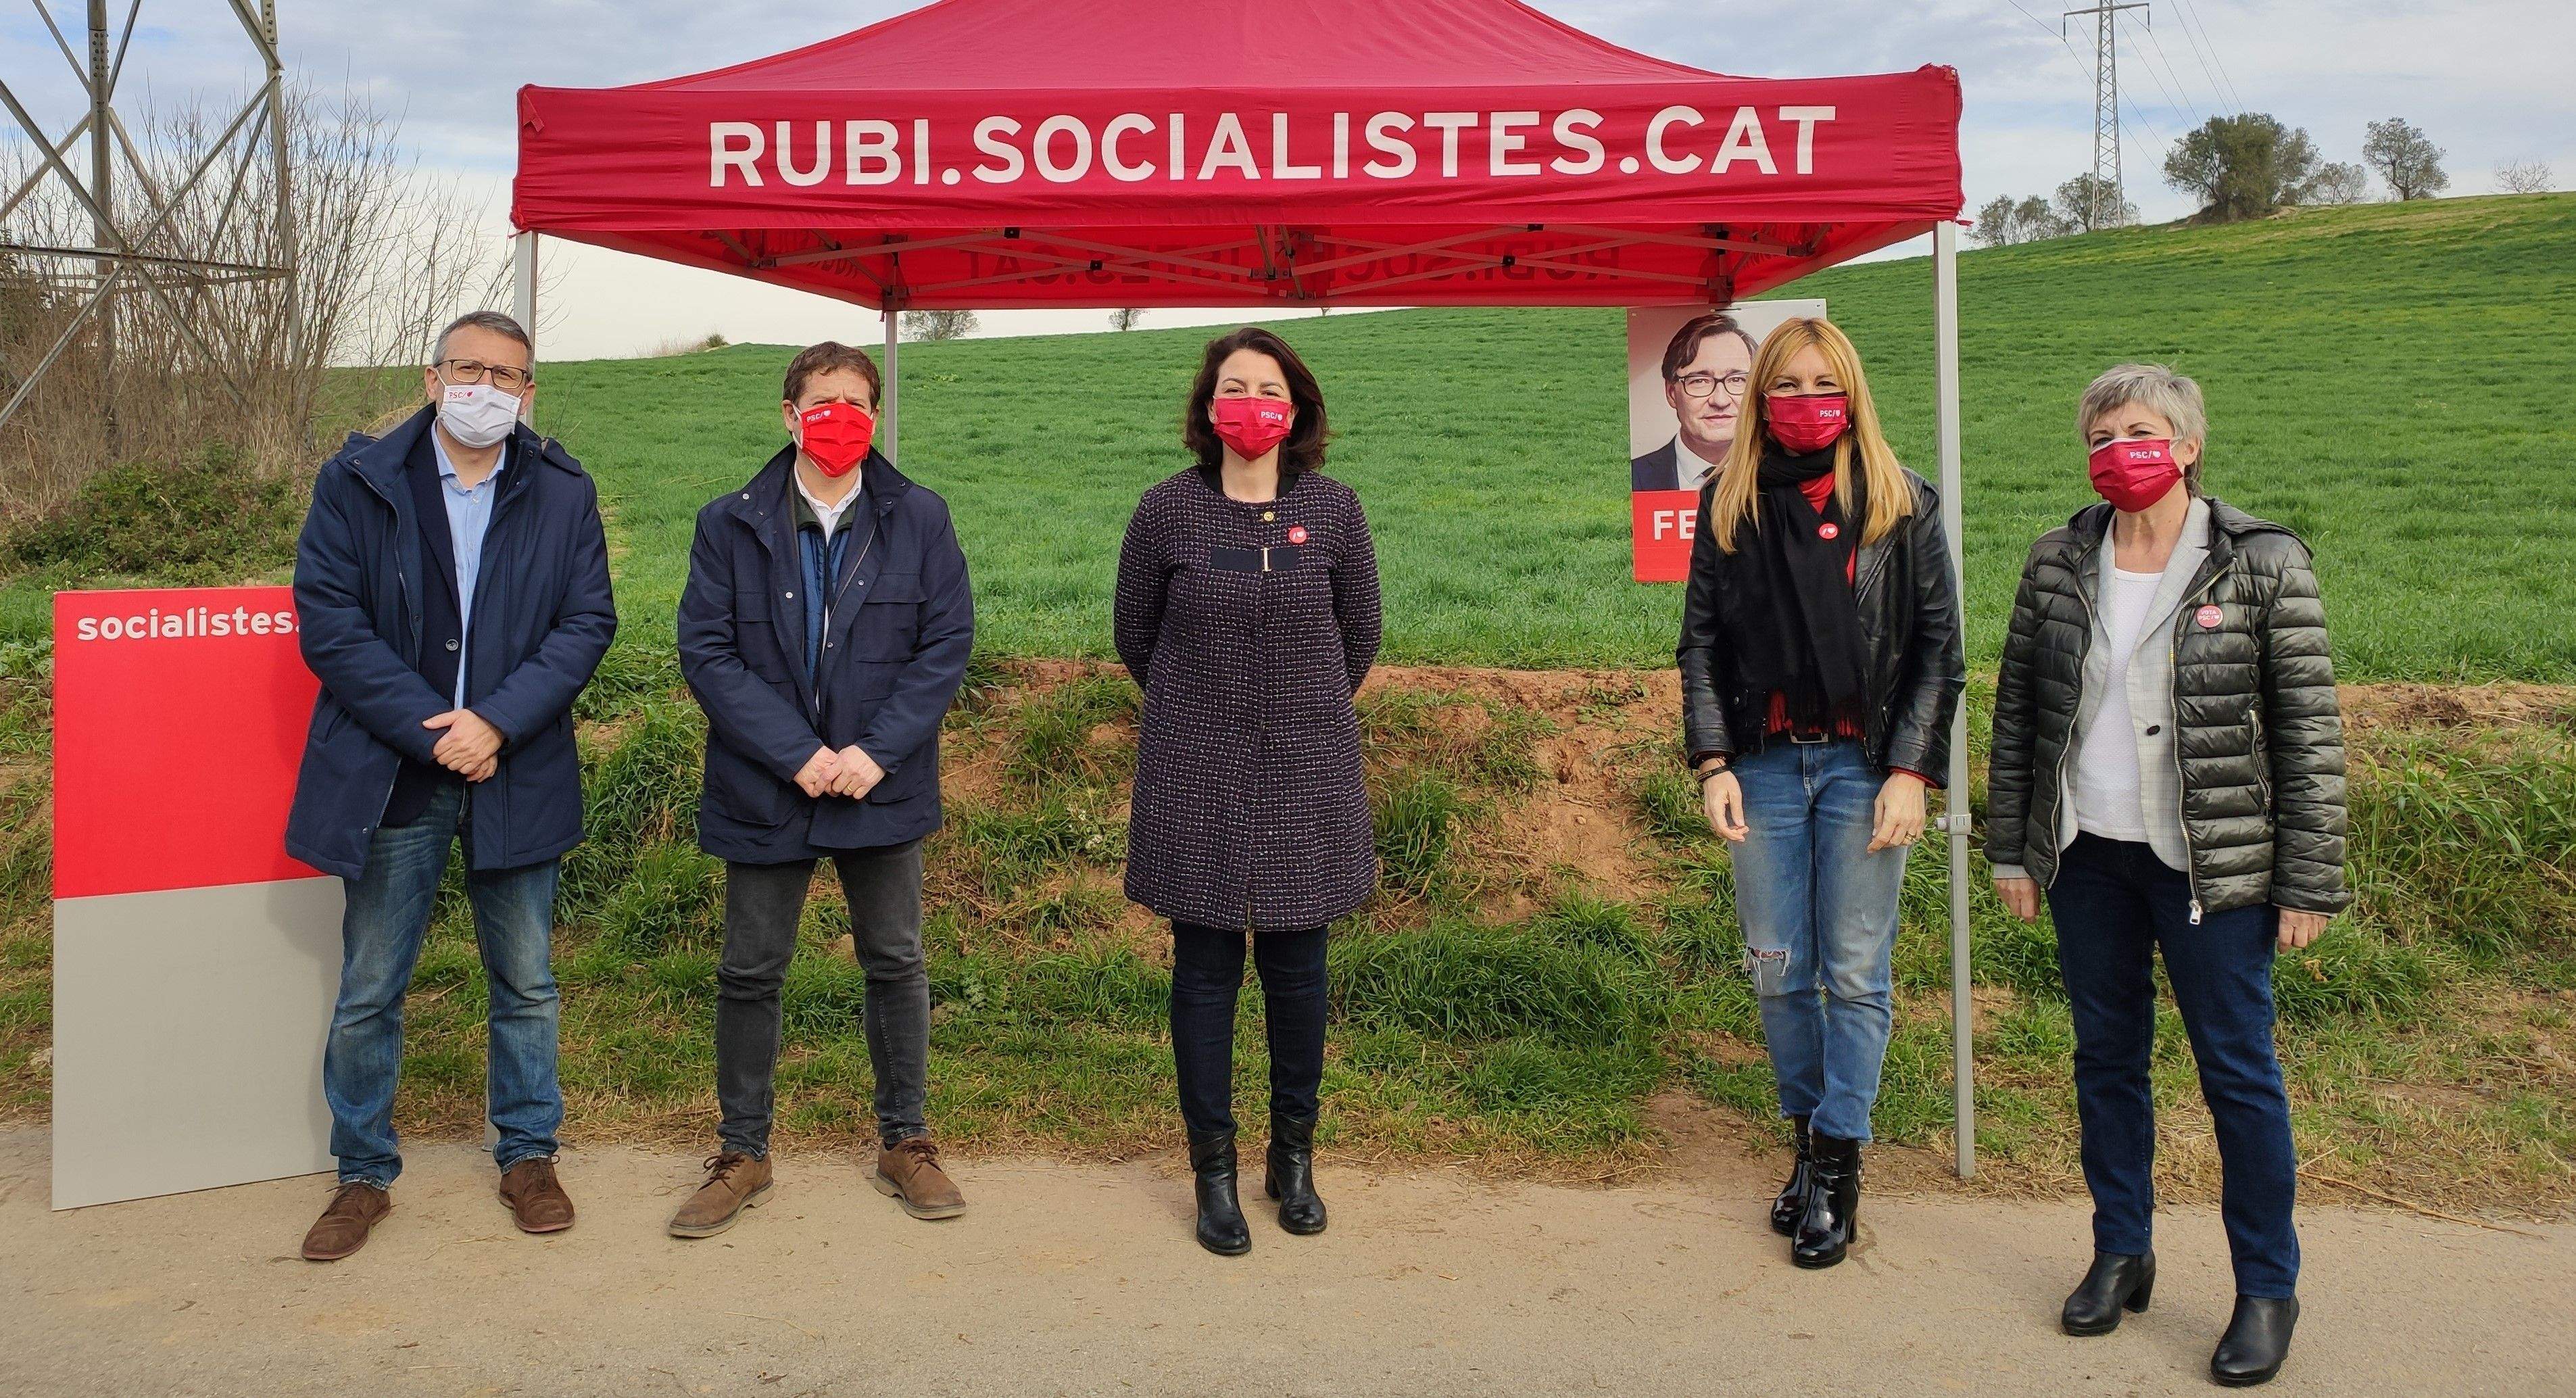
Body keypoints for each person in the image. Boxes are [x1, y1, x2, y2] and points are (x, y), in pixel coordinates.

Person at [1987, 364, 2348, 1389]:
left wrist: (2307, 880)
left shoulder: (2260, 562)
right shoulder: (2057, 559)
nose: (2118, 453)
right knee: (2104, 1059)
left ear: (2186, 446)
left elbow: (2308, 735)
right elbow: (2018, 715)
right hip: (2086, 855)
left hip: (2211, 868)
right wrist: (2012, 846)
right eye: (2100, 438)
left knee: (2237, 1076)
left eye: (2139, 432)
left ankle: (2264, 1290)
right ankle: (2119, 1251)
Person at [286, 310, 617, 1261]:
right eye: (468, 369)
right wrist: (437, 730)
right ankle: (361, 1174)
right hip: (393, 770)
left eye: (506, 375)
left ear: (527, 393)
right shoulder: (357, 481)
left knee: (526, 982)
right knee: (370, 987)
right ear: (433, 380)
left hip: (516, 764)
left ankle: (527, 1155)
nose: (486, 387)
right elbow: (330, 623)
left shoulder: (559, 490)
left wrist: (497, 721)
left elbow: (585, 622)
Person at [667, 341, 975, 1238]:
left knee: (896, 963)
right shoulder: (729, 522)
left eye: (855, 401)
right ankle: (741, 1151)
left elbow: (943, 645)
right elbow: (709, 654)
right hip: (766, 785)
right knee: (749, 971)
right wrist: (795, 753)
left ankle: (905, 1143)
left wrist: (873, 754)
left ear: (874, 415)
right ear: (788, 413)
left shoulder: (919, 516)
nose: (838, 414)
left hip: (880, 783)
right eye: (821, 399)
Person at [1676, 316, 1964, 1270]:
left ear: (1850, 393)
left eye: (1821, 382)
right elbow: (1701, 648)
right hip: (1760, 767)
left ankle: (1837, 1169)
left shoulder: (1901, 499)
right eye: (1786, 385)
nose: (1805, 401)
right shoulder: (1725, 503)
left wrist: (1912, 772)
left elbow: (1936, 652)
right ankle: (1802, 1142)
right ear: (1761, 398)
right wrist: (1713, 761)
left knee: (1852, 973)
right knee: (1773, 967)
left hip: (1861, 767)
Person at [1113, 326, 1381, 1257]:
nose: (1250, 404)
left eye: (1268, 388)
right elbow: (1133, 637)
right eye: (1233, 386)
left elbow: (1361, 636)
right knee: (1206, 973)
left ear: (1296, 408)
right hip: (1194, 769)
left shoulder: (1338, 512)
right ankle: (1213, 1174)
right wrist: (1210, 713)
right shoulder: (1163, 513)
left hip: (1309, 768)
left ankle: (1293, 1161)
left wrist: (1292, 713)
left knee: (1299, 973)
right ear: (1206, 407)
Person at [1632, 312, 1758, 493]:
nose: (1720, 401)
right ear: (1671, 393)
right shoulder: (1635, 478)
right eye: (1699, 381)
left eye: (1737, 380)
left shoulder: (1783, 476)